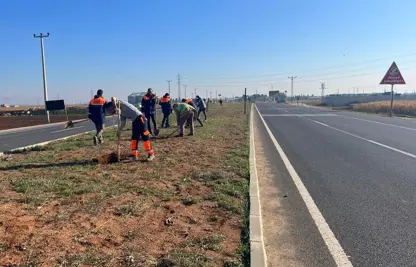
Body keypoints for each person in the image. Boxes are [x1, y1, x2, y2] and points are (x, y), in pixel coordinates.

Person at [110, 97, 155, 161]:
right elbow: (123, 122)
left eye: (113, 110)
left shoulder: (120, 103)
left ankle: (151, 154)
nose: (114, 112)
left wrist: (115, 107)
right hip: (134, 121)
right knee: (134, 138)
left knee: (145, 136)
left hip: (141, 118)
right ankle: (134, 155)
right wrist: (119, 130)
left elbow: (113, 98)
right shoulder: (121, 113)